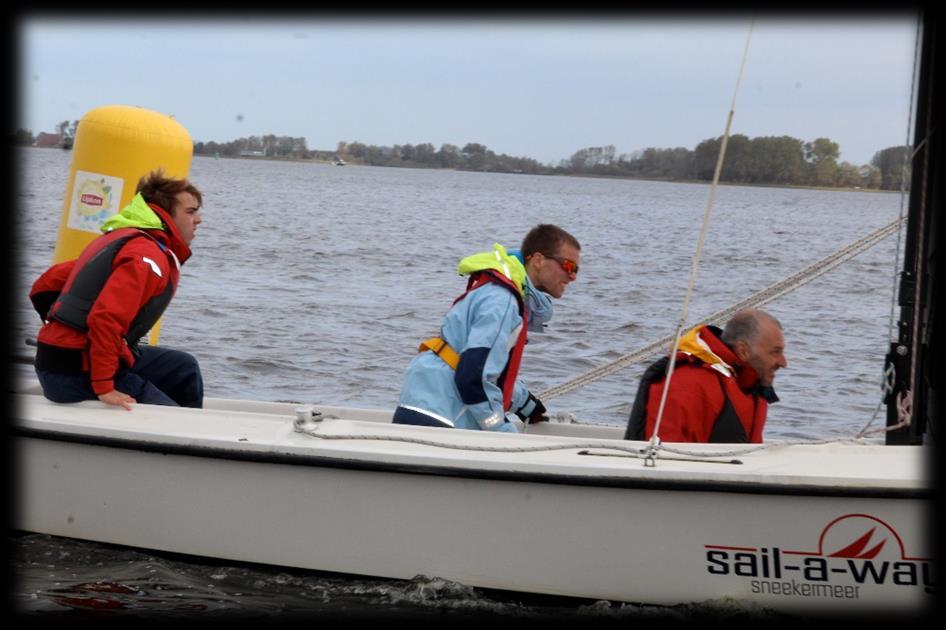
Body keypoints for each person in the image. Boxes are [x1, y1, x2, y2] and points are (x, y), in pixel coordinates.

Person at [29, 169, 204, 410]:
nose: (198, 220)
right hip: (75, 374)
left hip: (61, 362)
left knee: (184, 367)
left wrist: (57, 329)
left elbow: (45, 284)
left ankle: (191, 424)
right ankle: (184, 438)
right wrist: (104, 386)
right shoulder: (146, 256)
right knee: (171, 418)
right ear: (165, 214)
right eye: (191, 212)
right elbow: (105, 319)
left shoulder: (122, 239)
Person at [393, 224, 581, 433]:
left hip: (422, 405)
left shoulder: (497, 292)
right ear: (538, 260)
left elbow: (483, 365)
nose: (573, 276)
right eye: (569, 266)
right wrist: (499, 428)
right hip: (443, 417)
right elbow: (472, 377)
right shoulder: (503, 301)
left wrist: (523, 402)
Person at [625, 308, 787, 443]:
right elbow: (666, 463)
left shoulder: (752, 386)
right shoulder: (688, 386)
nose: (783, 362)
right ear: (743, 350)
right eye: (775, 352)